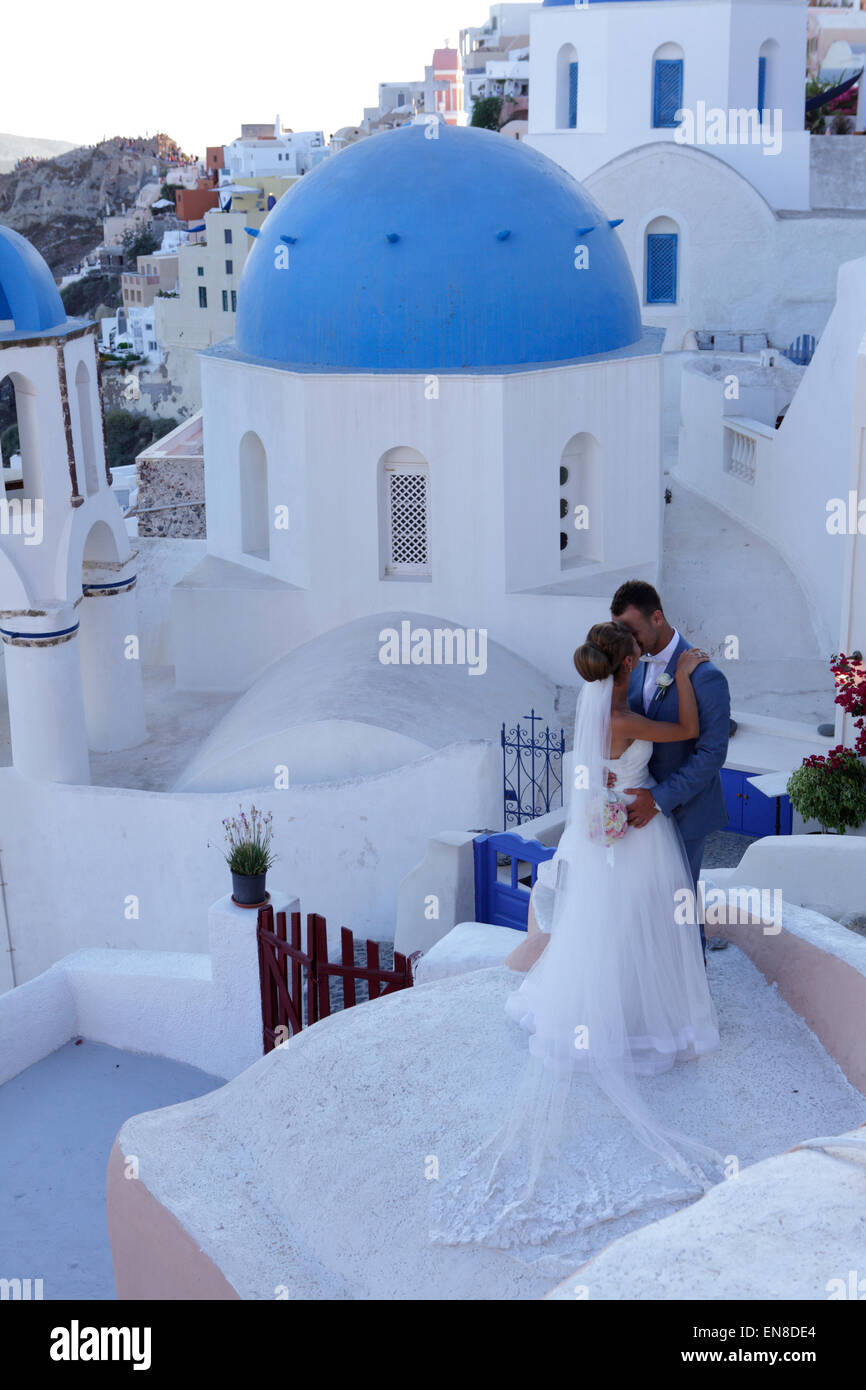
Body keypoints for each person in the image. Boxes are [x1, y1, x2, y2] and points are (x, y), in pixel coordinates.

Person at [429, 620, 724, 1267]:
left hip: (602, 833)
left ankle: (605, 1013)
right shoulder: (626, 721)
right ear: (624, 666)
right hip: (634, 834)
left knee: (607, 932)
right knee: (643, 931)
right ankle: (640, 1021)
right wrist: (681, 677)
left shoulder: (596, 716)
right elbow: (688, 733)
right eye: (637, 656)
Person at [611, 580, 731, 956]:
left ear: (657, 616)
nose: (628, 639)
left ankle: (693, 999)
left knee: (679, 908)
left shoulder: (705, 676)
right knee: (641, 908)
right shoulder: (632, 664)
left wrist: (659, 799)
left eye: (633, 630)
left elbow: (712, 753)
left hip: (683, 811)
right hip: (634, 815)